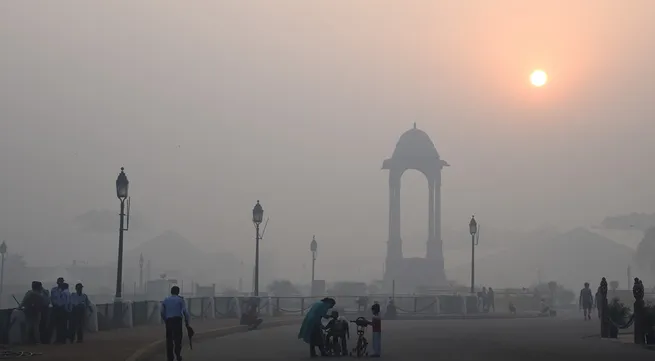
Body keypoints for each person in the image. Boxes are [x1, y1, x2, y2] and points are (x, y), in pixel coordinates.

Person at [161, 286, 190, 361]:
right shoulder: (180, 300)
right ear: (178, 292)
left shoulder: (166, 300)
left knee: (169, 339)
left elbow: (162, 312)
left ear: (171, 291)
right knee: (178, 339)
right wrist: (187, 322)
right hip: (177, 321)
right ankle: (178, 355)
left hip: (169, 321)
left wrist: (165, 320)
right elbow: (185, 312)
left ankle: (170, 357)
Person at [50, 278, 70, 344]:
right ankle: (58, 339)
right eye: (59, 282)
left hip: (63, 309)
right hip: (56, 308)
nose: (60, 283)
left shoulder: (64, 291)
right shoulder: (54, 290)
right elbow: (52, 299)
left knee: (63, 324)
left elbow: (66, 301)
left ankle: (63, 339)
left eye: (61, 282)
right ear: (57, 282)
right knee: (57, 325)